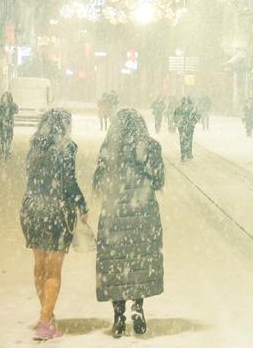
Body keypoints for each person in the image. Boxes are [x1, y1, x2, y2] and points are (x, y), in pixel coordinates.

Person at [93, 109, 165, 338]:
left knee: (116, 261)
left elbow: (100, 180)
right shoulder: (151, 147)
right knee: (139, 261)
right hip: (143, 211)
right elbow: (158, 179)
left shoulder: (109, 149)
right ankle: (138, 308)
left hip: (114, 211)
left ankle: (118, 316)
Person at [20, 109, 87, 341]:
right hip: (55, 210)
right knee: (54, 271)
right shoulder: (66, 147)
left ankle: (46, 314)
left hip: (31, 209)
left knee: (39, 266)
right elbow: (68, 182)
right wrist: (82, 204)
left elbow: (32, 178)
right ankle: (45, 321)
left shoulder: (35, 147)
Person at [0, 91, 19, 159]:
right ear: (2, 98)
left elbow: (17, 110)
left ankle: (7, 153)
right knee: (1, 139)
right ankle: (1, 152)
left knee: (8, 139)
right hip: (0, 125)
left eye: (7, 98)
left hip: (9, 125)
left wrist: (13, 108)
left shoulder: (12, 105)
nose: (5, 99)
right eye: (5, 97)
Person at [174, 97, 200, 162]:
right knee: (189, 139)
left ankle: (183, 154)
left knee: (182, 140)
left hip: (181, 126)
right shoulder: (193, 108)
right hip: (190, 126)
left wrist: (178, 123)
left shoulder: (178, 108)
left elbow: (175, 117)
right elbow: (198, 116)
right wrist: (193, 122)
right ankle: (189, 154)